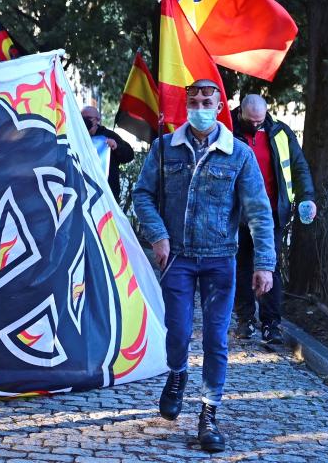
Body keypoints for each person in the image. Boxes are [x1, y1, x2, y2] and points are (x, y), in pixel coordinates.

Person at [132, 79, 275, 453]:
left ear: (219, 103)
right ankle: (177, 374)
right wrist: (158, 236)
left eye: (206, 99)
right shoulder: (165, 149)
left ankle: (209, 414)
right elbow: (142, 194)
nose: (199, 104)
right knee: (177, 332)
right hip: (177, 257)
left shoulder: (238, 154)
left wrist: (264, 264)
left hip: (220, 260)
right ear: (186, 102)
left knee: (215, 339)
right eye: (193, 99)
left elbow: (259, 212)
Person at [232, 95, 316, 344]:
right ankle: (245, 320)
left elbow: (299, 167)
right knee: (242, 266)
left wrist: (306, 197)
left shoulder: (280, 132)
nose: (257, 126)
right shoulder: (227, 130)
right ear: (241, 115)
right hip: (237, 214)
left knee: (270, 268)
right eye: (251, 122)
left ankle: (271, 325)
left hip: (271, 214)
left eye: (260, 121)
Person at [81, 105, 134, 198]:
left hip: (107, 192)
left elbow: (129, 155)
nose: (84, 120)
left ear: (97, 120)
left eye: (88, 118)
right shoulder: (77, 136)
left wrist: (116, 147)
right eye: (82, 117)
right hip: (83, 190)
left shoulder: (108, 135)